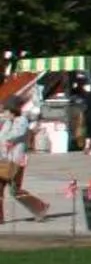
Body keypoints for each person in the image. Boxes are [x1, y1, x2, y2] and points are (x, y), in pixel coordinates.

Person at [0, 95, 49, 223]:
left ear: (12, 110)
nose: (4, 113)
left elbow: (15, 134)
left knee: (15, 191)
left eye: (5, 111)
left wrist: (4, 138)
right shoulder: (8, 122)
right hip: (4, 161)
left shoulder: (22, 121)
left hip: (16, 161)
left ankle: (40, 207)